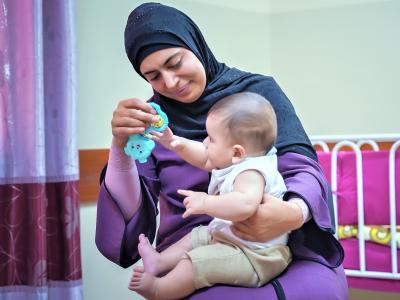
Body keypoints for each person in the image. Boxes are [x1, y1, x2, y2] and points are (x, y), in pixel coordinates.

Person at [96, 2, 348, 299]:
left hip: (283, 241)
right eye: (153, 76)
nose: (170, 82)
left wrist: (292, 213)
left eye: (175, 63)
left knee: (318, 290)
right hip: (193, 250)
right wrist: (120, 147)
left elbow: (302, 168)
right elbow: (130, 219)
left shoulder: (258, 94)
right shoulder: (153, 124)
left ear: (195, 44)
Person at [129, 92, 292, 299]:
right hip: (234, 238)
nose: (205, 142)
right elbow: (206, 158)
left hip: (255, 256)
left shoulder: (251, 173)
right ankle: (160, 262)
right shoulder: (241, 158)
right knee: (198, 234)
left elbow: (245, 204)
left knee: (198, 261)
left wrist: (205, 202)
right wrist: (175, 142)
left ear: (237, 153)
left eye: (211, 139)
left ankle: (159, 289)